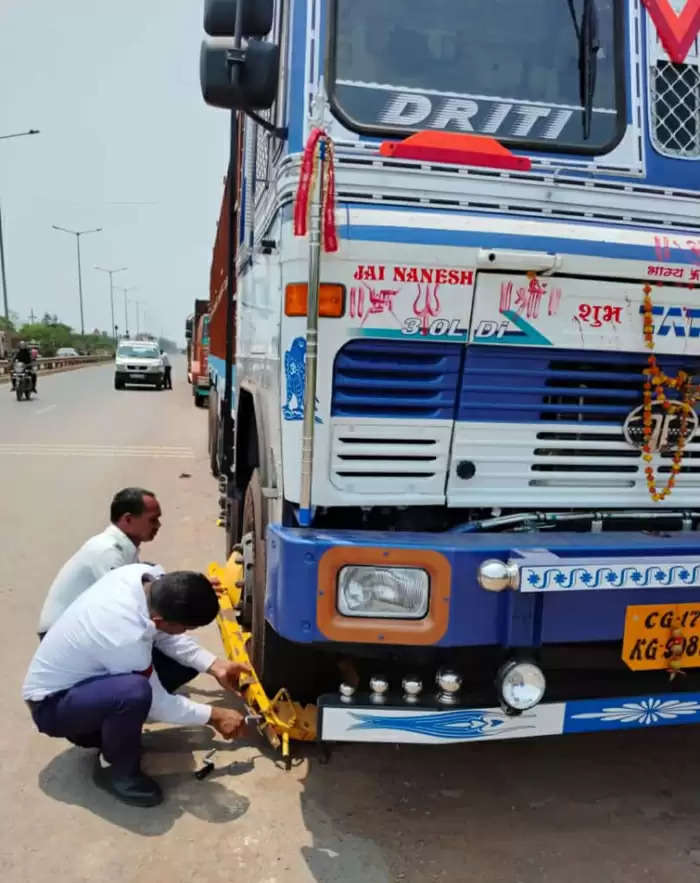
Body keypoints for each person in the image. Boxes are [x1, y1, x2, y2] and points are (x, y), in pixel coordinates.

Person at [23, 564, 249, 807]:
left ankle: (116, 730)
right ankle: (118, 771)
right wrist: (213, 715)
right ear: (160, 619)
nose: (185, 632)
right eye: (185, 627)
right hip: (52, 706)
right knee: (134, 694)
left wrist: (214, 665)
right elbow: (155, 702)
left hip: (87, 679)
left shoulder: (144, 578)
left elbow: (165, 635)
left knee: (185, 661)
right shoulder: (124, 634)